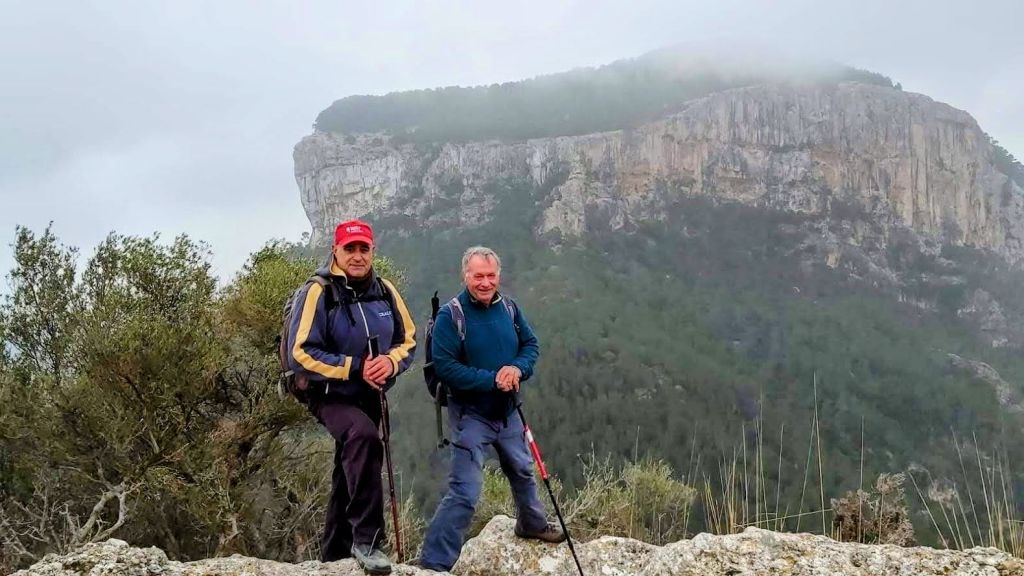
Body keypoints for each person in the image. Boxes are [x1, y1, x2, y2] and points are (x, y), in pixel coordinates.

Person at [419, 246, 565, 572]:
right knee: (465, 491)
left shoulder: (509, 309)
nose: (485, 283)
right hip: (471, 415)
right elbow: (445, 367)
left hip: (508, 411)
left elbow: (530, 346)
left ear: (498, 276)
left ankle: (531, 523)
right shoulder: (450, 316)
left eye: (490, 275)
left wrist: (517, 369)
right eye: (478, 276)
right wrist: (492, 380)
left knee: (523, 471)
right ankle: (433, 563)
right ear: (465, 276)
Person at [287, 219, 416, 575]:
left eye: (364, 249)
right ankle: (369, 540)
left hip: (369, 392)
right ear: (336, 251)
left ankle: (334, 556)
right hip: (326, 392)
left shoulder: (385, 290)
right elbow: (299, 353)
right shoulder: (318, 291)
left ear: (372, 251)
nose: (357, 256)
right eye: (350, 249)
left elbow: (409, 340)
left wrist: (389, 363)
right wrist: (356, 367)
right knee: (362, 437)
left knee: (349, 468)